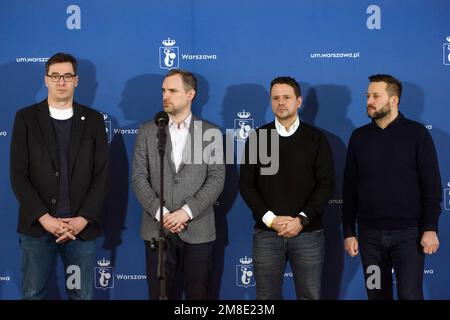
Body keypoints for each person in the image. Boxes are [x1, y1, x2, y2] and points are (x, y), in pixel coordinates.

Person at [10, 52, 109, 299]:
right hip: (38, 227)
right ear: (46, 80)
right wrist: (45, 218)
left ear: (76, 80)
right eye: (55, 76)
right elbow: (18, 174)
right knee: (33, 294)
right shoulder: (26, 118)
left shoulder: (95, 120)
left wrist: (83, 218)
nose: (61, 81)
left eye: (67, 76)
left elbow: (101, 174)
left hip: (80, 229)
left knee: (81, 296)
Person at [342, 74, 442, 300]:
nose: (369, 100)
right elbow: (349, 189)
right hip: (369, 239)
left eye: (376, 96)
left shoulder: (417, 134)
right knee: (376, 295)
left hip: (408, 237)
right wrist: (349, 231)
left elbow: (432, 186)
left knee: (410, 295)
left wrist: (430, 227)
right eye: (368, 96)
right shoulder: (359, 137)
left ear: (394, 100)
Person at [132, 69, 225, 300]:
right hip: (157, 230)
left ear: (190, 94)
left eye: (172, 91)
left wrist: (186, 212)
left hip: (198, 229)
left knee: (198, 297)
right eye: (164, 90)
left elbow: (216, 178)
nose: (166, 96)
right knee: (159, 295)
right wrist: (162, 214)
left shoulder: (210, 132)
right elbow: (138, 177)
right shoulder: (147, 131)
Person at [239, 76, 335, 300]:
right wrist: (271, 219)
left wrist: (301, 219)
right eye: (275, 98)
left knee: (309, 295)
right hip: (266, 234)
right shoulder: (259, 138)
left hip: (308, 233)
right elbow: (246, 184)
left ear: (299, 101)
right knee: (266, 298)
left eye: (286, 97)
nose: (281, 102)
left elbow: (326, 185)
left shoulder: (316, 139)